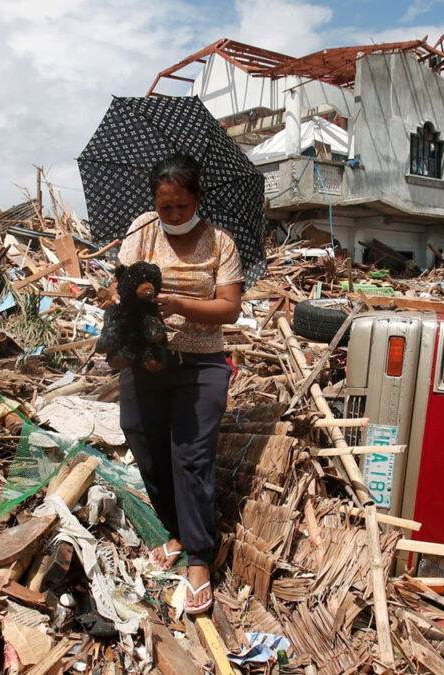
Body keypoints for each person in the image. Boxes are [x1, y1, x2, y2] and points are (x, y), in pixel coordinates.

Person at [115, 154, 243, 615]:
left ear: (197, 199)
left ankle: (198, 558)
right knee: (144, 442)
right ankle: (173, 530)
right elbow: (123, 289)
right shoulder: (140, 232)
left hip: (201, 362)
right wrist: (117, 296)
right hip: (146, 362)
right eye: (164, 206)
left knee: (190, 457)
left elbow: (229, 308)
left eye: (181, 207)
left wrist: (179, 304)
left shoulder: (220, 243)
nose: (172, 216)